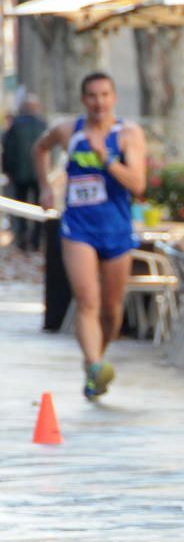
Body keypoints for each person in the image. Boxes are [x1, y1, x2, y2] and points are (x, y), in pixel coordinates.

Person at [33, 72, 147, 401]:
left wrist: (107, 159)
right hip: (78, 228)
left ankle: (97, 358)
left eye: (105, 95)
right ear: (84, 100)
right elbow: (39, 148)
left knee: (111, 310)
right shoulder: (69, 131)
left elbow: (138, 185)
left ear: (114, 98)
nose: (99, 102)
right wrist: (44, 186)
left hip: (116, 229)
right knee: (87, 301)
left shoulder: (127, 134)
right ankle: (95, 365)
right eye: (92, 96)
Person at [2, 93, 47, 251]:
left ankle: (22, 238)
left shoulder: (16, 125)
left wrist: (8, 169)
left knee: (21, 206)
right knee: (38, 206)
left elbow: (7, 149)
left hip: (20, 174)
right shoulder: (42, 124)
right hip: (37, 174)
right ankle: (35, 240)